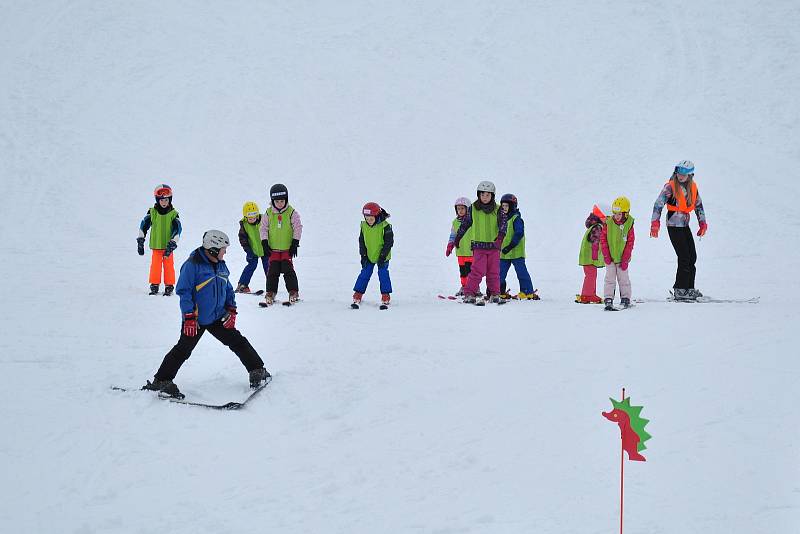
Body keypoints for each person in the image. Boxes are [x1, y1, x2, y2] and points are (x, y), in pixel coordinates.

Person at [142, 230, 270, 399]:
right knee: (183, 350)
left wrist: (231, 309)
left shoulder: (221, 264)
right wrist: (188, 317)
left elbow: (228, 287)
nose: (225, 252)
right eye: (223, 249)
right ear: (213, 249)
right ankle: (161, 381)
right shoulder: (192, 265)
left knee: (238, 342)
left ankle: (257, 371)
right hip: (195, 319)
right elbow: (184, 291)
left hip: (218, 316)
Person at [650, 160, 708, 300]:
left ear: (690, 175)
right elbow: (658, 204)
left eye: (683, 173)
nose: (680, 175)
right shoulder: (670, 187)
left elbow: (698, 205)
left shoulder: (692, 187)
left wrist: (702, 223)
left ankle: (689, 288)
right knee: (684, 257)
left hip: (684, 225)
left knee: (692, 256)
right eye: (678, 172)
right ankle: (680, 289)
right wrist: (655, 223)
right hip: (673, 225)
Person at [452, 181, 508, 304]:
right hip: (479, 246)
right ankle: (469, 293)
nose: (485, 197)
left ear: (492, 196)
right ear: (478, 195)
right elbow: (465, 224)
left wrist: (500, 238)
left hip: (494, 246)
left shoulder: (498, 209)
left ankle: (494, 294)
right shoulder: (473, 208)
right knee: (477, 271)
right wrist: (458, 238)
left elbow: (504, 225)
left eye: (487, 195)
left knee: (494, 272)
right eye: (482, 195)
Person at [259, 184, 303, 306]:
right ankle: (270, 292)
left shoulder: (291, 212)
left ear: (286, 200)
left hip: (286, 249)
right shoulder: (268, 213)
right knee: (272, 272)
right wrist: (264, 242)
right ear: (272, 201)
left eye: (282, 201)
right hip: (273, 249)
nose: (279, 203)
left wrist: (295, 242)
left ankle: (293, 291)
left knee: (288, 270)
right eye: (277, 201)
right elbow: (263, 228)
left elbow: (298, 227)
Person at [137, 184, 182, 296]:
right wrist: (141, 239)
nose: (164, 202)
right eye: (161, 200)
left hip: (168, 247)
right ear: (157, 200)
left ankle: (169, 285)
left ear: (170, 200)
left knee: (169, 266)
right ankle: (154, 285)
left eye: (166, 199)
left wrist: (173, 242)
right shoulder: (152, 213)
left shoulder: (173, 214)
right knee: (155, 266)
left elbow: (178, 229)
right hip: (156, 246)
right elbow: (144, 225)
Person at [352, 202, 393, 308]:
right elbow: (361, 241)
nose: (368, 221)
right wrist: (363, 255)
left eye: (371, 218)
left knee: (383, 274)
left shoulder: (385, 226)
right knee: (364, 274)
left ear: (377, 216)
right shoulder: (364, 226)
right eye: (367, 218)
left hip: (382, 256)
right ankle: (358, 294)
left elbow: (389, 243)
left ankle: (385, 295)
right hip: (369, 255)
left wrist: (382, 256)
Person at [498, 193, 538, 300]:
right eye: (503, 206)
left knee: (521, 272)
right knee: (499, 273)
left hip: (516, 252)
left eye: (507, 206)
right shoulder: (501, 219)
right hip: (504, 253)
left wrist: (510, 246)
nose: (504, 208)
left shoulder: (516, 219)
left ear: (512, 206)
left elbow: (519, 233)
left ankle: (527, 292)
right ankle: (499, 291)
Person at [600, 196, 635, 310]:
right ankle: (608, 298)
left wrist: (625, 258)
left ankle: (625, 298)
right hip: (609, 257)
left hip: (622, 259)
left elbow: (630, 242)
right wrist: (606, 255)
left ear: (626, 213)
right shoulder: (608, 223)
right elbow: (603, 239)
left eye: (619, 214)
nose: (616, 216)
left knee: (623, 279)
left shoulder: (629, 224)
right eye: (615, 213)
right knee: (609, 278)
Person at [576, 204, 607, 304]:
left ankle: (590, 294)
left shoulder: (595, 226)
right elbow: (595, 242)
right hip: (590, 257)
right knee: (590, 276)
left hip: (588, 257)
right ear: (602, 217)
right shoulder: (597, 227)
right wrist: (595, 256)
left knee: (591, 275)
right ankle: (587, 295)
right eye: (607, 218)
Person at [235, 201, 269, 293]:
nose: (252, 220)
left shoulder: (264, 220)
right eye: (249, 218)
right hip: (252, 251)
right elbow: (242, 239)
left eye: (254, 217)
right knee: (251, 265)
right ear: (245, 217)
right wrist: (248, 251)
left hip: (265, 249)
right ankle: (242, 285)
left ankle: (271, 285)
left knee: (268, 266)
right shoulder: (244, 225)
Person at [445, 197, 475, 296]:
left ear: (468, 209)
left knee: (471, 271)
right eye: (458, 209)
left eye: (462, 208)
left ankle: (474, 288)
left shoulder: (472, 221)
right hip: (461, 252)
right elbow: (453, 235)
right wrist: (450, 246)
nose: (460, 211)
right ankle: (464, 286)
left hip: (471, 251)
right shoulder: (455, 222)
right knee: (463, 271)